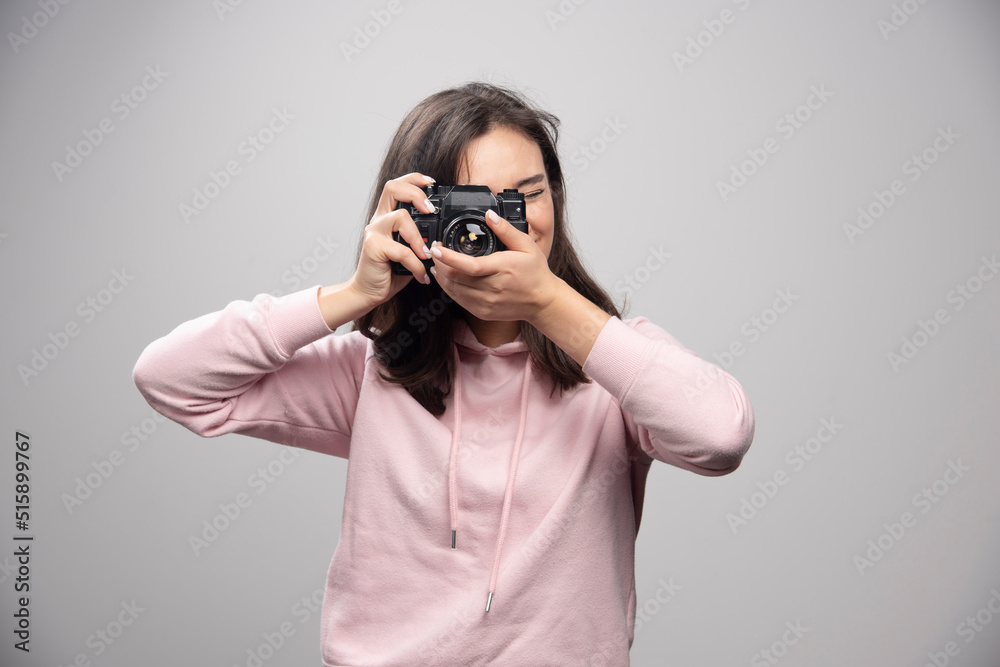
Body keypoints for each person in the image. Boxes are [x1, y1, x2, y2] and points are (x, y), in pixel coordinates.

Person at [133, 82, 755, 666]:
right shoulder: (372, 373)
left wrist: (549, 304)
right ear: (417, 213)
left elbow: (720, 437)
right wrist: (354, 294)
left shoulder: (617, 366)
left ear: (555, 202)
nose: (497, 225)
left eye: (526, 196)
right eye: (471, 205)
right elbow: (169, 379)